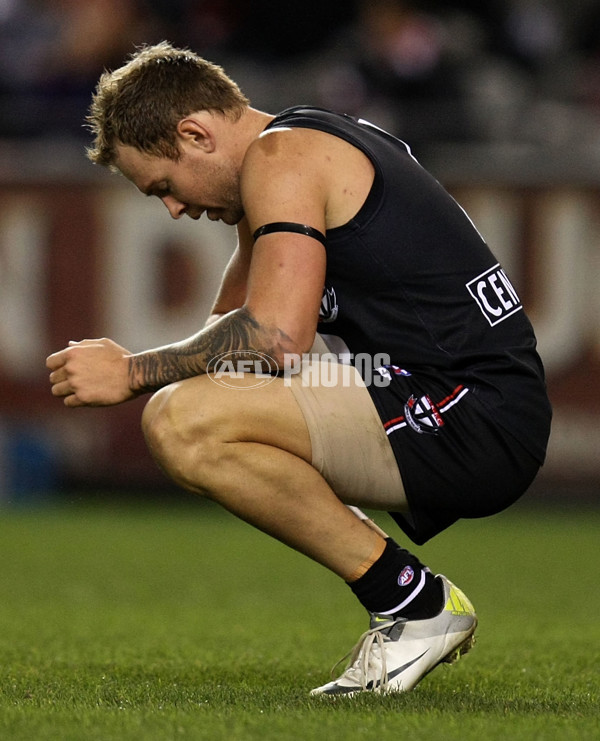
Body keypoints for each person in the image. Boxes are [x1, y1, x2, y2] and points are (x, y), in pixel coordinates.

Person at [46, 41, 552, 696]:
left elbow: (278, 339)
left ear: (196, 133)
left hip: (474, 410)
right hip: (458, 396)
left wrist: (134, 370)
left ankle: (411, 603)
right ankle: (411, 600)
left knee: (181, 420)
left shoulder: (283, 159)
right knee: (197, 404)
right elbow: (230, 330)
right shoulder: (290, 148)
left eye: (165, 186)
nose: (172, 209)